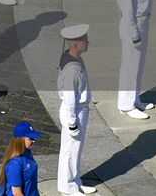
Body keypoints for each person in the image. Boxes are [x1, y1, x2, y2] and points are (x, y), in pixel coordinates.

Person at [117, 0, 156, 119]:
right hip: (134, 27)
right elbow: (128, 13)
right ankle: (125, 105)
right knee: (130, 67)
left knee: (138, 65)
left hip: (143, 24)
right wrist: (134, 35)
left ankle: (135, 98)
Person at [57, 26, 96, 196]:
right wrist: (72, 121)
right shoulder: (72, 68)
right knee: (70, 150)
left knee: (75, 149)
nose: (87, 42)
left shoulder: (73, 57)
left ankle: (75, 182)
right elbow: (69, 98)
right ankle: (68, 187)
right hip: (74, 111)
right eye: (84, 40)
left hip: (78, 110)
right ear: (74, 43)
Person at [0, 121, 43, 196]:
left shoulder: (27, 152)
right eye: (30, 138)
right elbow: (17, 193)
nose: (34, 141)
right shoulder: (14, 164)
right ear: (20, 139)